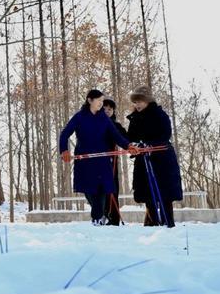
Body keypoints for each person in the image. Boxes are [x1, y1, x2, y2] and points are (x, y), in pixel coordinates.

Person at [59, 89, 138, 226]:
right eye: (99, 101)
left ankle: (98, 218)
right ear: (90, 100)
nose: (102, 103)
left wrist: (128, 146)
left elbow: (116, 136)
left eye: (103, 100)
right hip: (85, 160)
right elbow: (65, 134)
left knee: (102, 189)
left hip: (102, 160)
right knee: (89, 189)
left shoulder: (104, 119)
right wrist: (64, 150)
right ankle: (99, 215)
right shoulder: (79, 117)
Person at [127, 86, 182, 227]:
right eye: (135, 102)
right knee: (147, 193)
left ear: (147, 101)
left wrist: (150, 144)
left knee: (164, 193)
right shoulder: (134, 118)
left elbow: (165, 134)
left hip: (162, 159)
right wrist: (133, 145)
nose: (137, 105)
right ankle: (152, 222)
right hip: (143, 159)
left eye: (140, 101)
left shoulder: (159, 114)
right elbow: (130, 136)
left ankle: (167, 222)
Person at [102, 98, 128, 226]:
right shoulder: (94, 123)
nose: (107, 111)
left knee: (112, 188)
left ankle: (113, 217)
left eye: (110, 109)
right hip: (96, 161)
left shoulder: (115, 125)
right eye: (104, 108)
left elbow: (125, 138)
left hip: (111, 160)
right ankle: (102, 215)